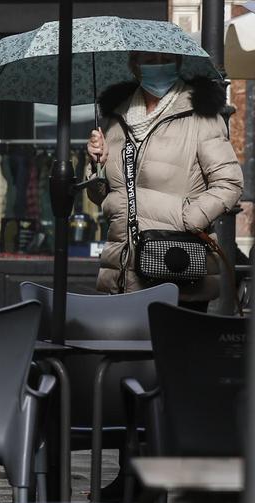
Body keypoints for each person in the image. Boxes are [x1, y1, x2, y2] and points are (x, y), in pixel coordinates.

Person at [87, 52, 242, 311]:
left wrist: (189, 218)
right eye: (150, 61)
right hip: (124, 269)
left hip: (176, 263)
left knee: (176, 350)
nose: (159, 67)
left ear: (178, 64)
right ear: (134, 67)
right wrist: (97, 165)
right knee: (122, 350)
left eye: (166, 60)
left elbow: (230, 183)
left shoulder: (199, 114)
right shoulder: (116, 119)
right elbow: (101, 196)